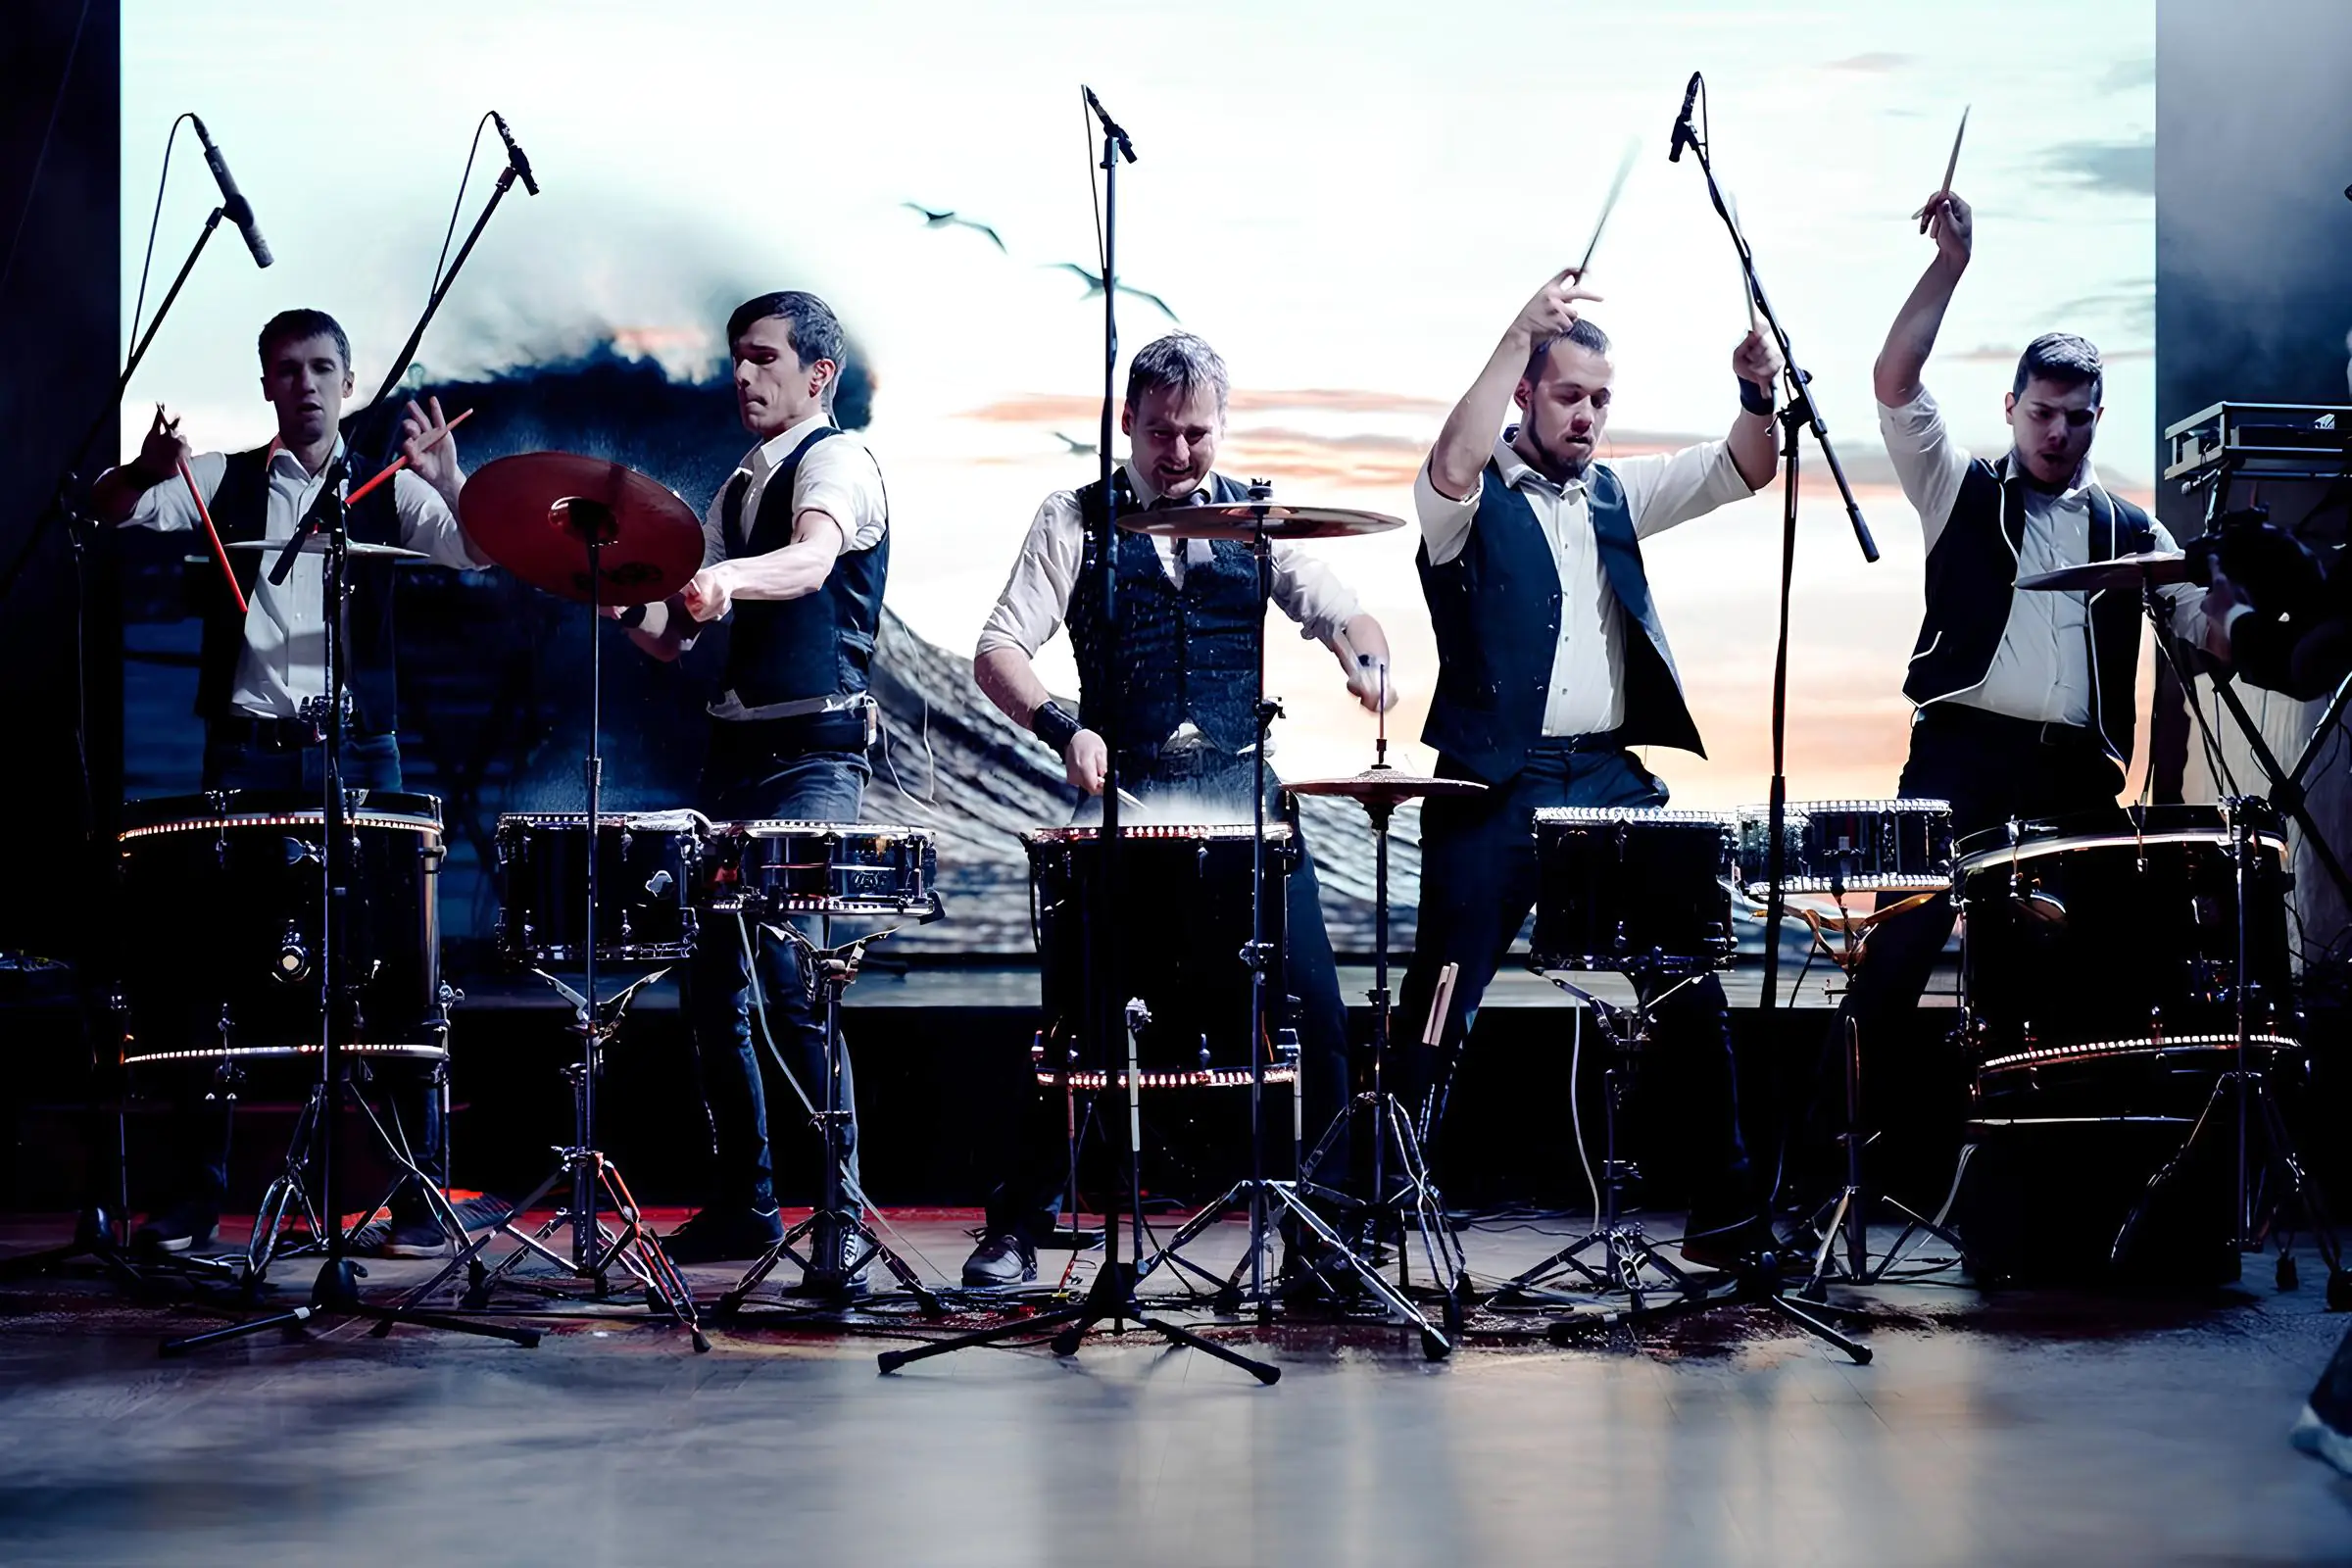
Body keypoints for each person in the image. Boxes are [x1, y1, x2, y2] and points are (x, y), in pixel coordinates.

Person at [958, 331, 1396, 1289]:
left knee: (1317, 1015)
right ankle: (1016, 1225)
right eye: (1161, 431)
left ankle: (1321, 1240)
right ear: (1128, 422)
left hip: (1245, 805)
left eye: (1197, 433)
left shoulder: (1259, 515)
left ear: (1221, 427)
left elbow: (1342, 610)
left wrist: (1367, 659)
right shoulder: (1073, 516)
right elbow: (997, 647)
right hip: (1129, 804)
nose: (1180, 452)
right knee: (1077, 1016)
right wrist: (1061, 723)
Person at [1393, 270, 1783, 1265]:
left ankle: (1730, 1216)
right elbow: (1447, 458)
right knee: (1441, 996)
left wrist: (1755, 391)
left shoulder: (1616, 489)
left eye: (1602, 398)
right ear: (1525, 393)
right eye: (1570, 394)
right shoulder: (1468, 501)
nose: (1589, 415)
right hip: (1492, 781)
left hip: (1605, 777)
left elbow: (1745, 466)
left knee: (1685, 983)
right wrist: (1515, 327)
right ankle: (1374, 1208)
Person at [92, 307, 486, 1257]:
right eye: (285, 369)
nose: (304, 383)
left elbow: (477, 554)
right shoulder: (225, 477)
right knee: (212, 967)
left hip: (360, 752)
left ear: (348, 383)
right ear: (266, 384)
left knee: (392, 972)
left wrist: (453, 484)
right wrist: (146, 470)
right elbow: (112, 509)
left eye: (320, 368)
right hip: (247, 752)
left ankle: (416, 1193)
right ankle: (196, 1198)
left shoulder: (393, 491)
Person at [1841, 190, 2215, 1042]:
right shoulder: (1956, 488)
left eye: (2076, 419)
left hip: (2077, 780)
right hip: (1957, 761)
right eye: (2041, 413)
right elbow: (1894, 384)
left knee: (2101, 973)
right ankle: (1837, 1159)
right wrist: (1950, 265)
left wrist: (2270, 632)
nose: (2058, 433)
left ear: (2096, 420)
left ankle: (2046, 1150)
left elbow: (2199, 620)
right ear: (2010, 407)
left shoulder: (2131, 529)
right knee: (1895, 959)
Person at [612, 290, 889, 1279]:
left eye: (764, 359)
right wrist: (614, 598)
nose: (743, 375)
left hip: (814, 756)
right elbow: (677, 639)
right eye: (736, 358)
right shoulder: (738, 488)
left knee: (791, 979)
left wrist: (724, 579)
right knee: (710, 987)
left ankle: (843, 1212)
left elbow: (811, 564)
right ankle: (747, 1205)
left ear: (817, 374)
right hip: (733, 757)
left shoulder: (838, 462)